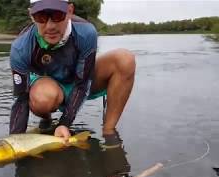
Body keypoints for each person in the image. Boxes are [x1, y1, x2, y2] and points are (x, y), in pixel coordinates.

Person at [9, 0, 136, 142]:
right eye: (41, 17)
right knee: (42, 99)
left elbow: (82, 84)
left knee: (125, 60)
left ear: (69, 11)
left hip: (79, 80)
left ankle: (109, 132)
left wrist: (65, 123)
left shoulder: (86, 32)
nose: (50, 26)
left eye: (57, 15)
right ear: (31, 15)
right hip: (48, 87)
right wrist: (14, 141)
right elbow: (21, 100)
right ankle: (47, 118)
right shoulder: (20, 47)